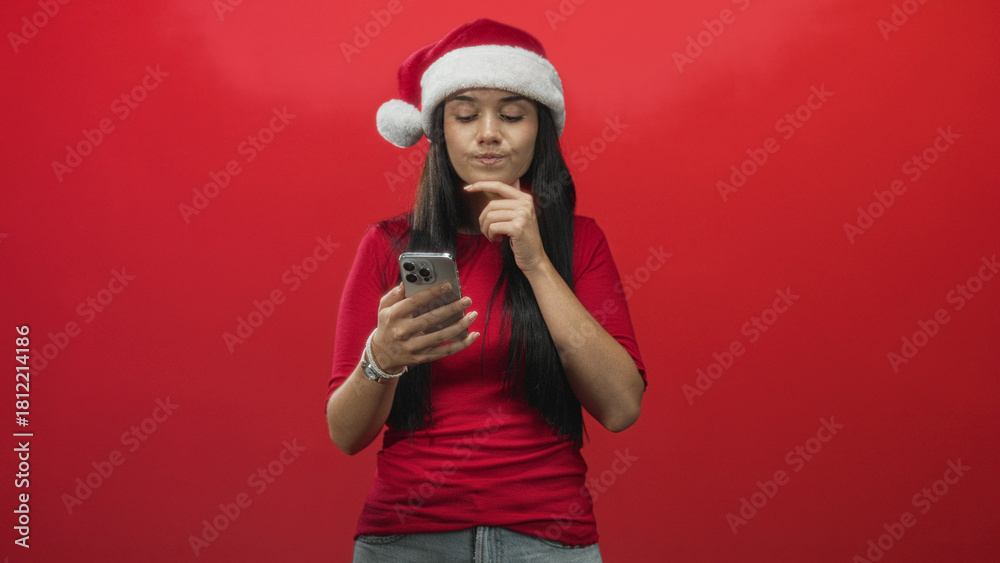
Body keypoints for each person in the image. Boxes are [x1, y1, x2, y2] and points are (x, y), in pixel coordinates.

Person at [325, 18, 646, 562]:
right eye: (466, 114)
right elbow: (345, 434)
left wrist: (536, 262)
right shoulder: (387, 245)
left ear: (540, 130)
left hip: (549, 538)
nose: (489, 132)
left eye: (513, 114)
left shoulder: (581, 242)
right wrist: (382, 357)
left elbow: (620, 407)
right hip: (408, 538)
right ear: (439, 131)